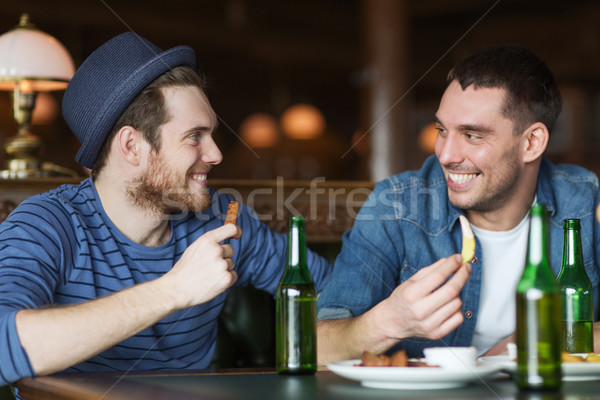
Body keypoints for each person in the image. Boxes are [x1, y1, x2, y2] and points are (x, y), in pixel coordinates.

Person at [0, 32, 330, 386]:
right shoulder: (48, 224)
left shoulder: (219, 219)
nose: (216, 154)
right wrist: (173, 290)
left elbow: (331, 289)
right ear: (132, 146)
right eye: (194, 136)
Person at [316, 45, 600, 364]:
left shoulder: (587, 202)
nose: (446, 155)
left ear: (531, 143)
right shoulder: (395, 203)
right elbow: (316, 345)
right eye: (442, 130)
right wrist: (386, 323)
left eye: (472, 136)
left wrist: (530, 337)